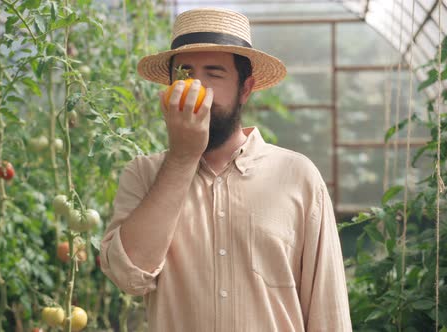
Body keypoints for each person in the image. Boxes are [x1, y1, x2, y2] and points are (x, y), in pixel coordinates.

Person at [100, 7, 352, 332]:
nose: (197, 89)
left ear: (245, 89)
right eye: (186, 73)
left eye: (214, 74)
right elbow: (128, 276)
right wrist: (181, 157)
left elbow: (327, 308)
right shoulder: (142, 174)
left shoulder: (297, 176)